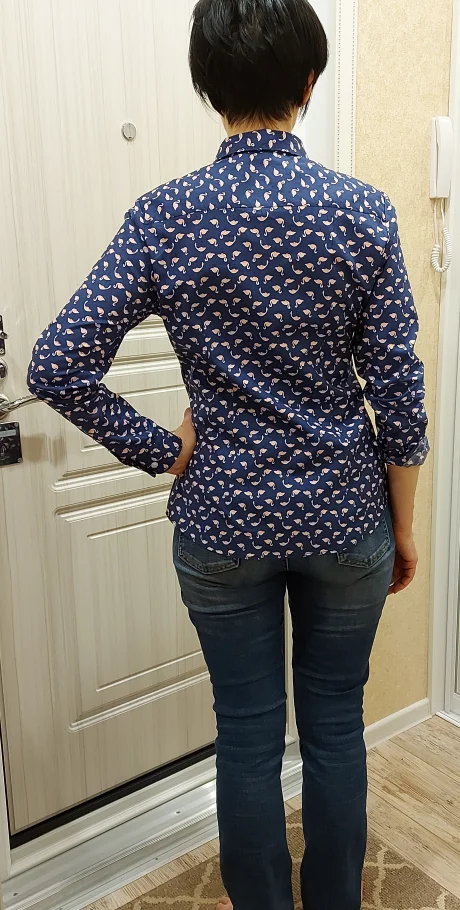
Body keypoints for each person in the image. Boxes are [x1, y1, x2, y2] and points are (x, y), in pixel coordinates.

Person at [28, 1, 429, 908]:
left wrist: (162, 449)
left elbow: (56, 363)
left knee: (247, 736)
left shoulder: (165, 215)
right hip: (345, 518)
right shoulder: (361, 212)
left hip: (220, 522)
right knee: (336, 728)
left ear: (207, 86)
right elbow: (400, 399)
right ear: (309, 83)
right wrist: (402, 527)